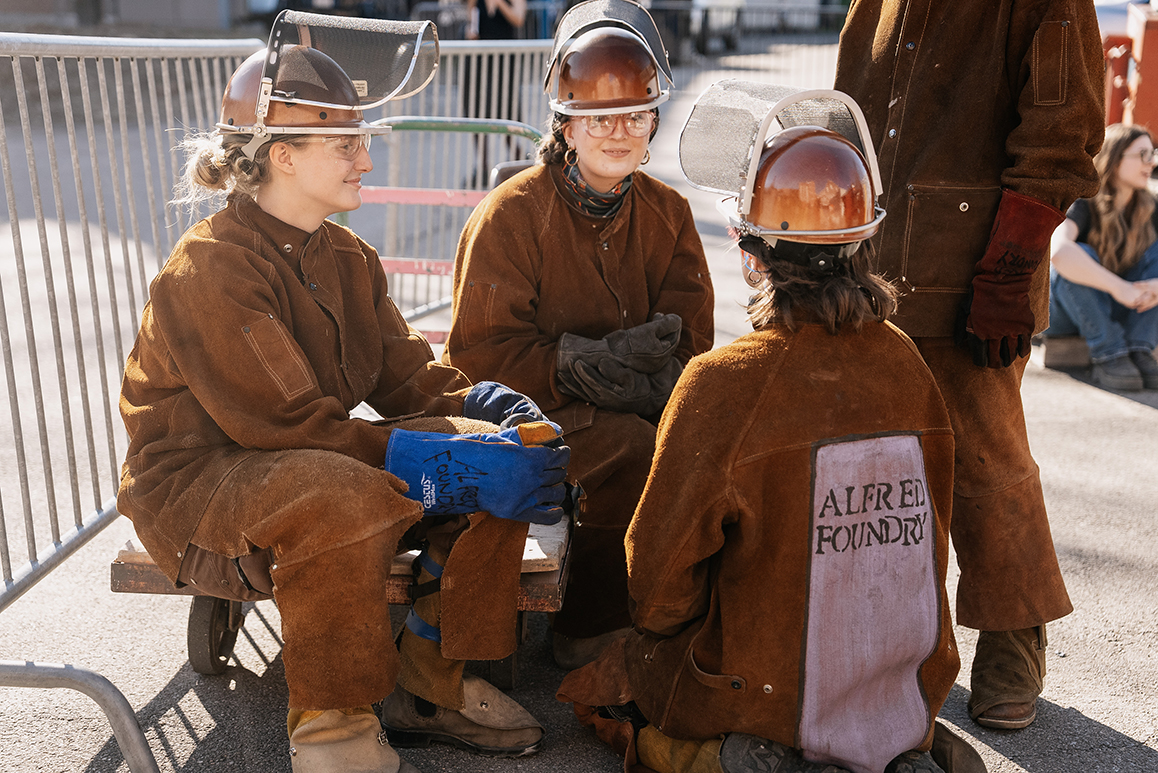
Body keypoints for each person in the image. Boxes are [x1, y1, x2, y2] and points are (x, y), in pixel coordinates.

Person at [117, 15, 570, 773]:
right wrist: (440, 460)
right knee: (342, 492)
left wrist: (489, 408)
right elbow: (287, 427)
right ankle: (332, 729)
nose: (366, 157)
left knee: (498, 453)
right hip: (196, 485)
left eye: (362, 138)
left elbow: (409, 378)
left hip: (295, 459)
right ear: (283, 156)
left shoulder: (349, 257)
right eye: (345, 144)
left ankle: (429, 681)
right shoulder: (210, 270)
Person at [556, 84, 986, 773]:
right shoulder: (907, 362)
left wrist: (674, 637)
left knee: (607, 685)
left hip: (761, 688)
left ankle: (714, 756)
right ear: (861, 239)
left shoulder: (725, 381)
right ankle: (897, 744)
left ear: (749, 244)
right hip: (904, 677)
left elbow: (657, 582)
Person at [834, 0, 1105, 730]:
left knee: (988, 463)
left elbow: (1062, 132)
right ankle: (902, 648)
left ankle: (1015, 639)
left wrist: (1009, 270)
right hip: (873, 263)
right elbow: (847, 112)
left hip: (977, 274)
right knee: (880, 472)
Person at [441, 0, 715, 670]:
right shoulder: (510, 215)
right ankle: (590, 628)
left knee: (704, 450)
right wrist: (574, 363)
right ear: (566, 123)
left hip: (635, 408)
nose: (618, 130)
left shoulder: (668, 214)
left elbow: (695, 348)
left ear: (655, 119)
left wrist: (654, 377)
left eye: (636, 113)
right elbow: (474, 362)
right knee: (628, 448)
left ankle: (680, 614)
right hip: (526, 420)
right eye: (598, 116)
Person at [1047, 123, 1158, 390]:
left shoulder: (1150, 206)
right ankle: (1110, 352)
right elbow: (1059, 251)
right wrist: (1120, 289)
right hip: (1066, 314)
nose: (1152, 163)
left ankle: (1138, 347)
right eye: (1143, 154)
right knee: (1076, 254)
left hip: (1126, 305)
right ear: (1115, 156)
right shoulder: (1083, 202)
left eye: (1153, 154)